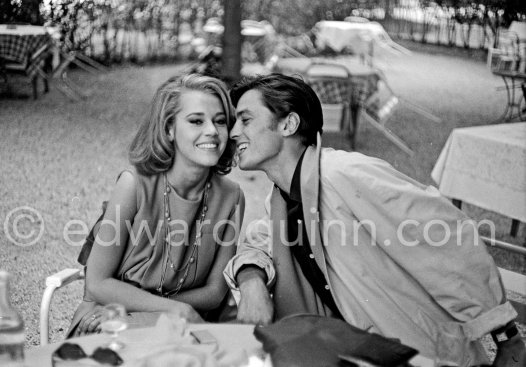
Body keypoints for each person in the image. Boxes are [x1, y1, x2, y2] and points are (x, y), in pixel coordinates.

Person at [223, 73, 525, 365]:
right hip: (350, 349)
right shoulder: (281, 197)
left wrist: (506, 334)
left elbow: (446, 237)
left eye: (246, 120)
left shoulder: (344, 174)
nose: (234, 133)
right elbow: (258, 241)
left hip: (412, 352)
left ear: (288, 123)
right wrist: (251, 280)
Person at [68, 73, 244, 336]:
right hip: (108, 317)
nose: (211, 131)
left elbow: (214, 293)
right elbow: (97, 283)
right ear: (169, 129)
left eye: (220, 121)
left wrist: (167, 312)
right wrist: (169, 312)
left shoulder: (232, 196)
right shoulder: (134, 184)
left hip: (183, 323)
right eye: (196, 120)